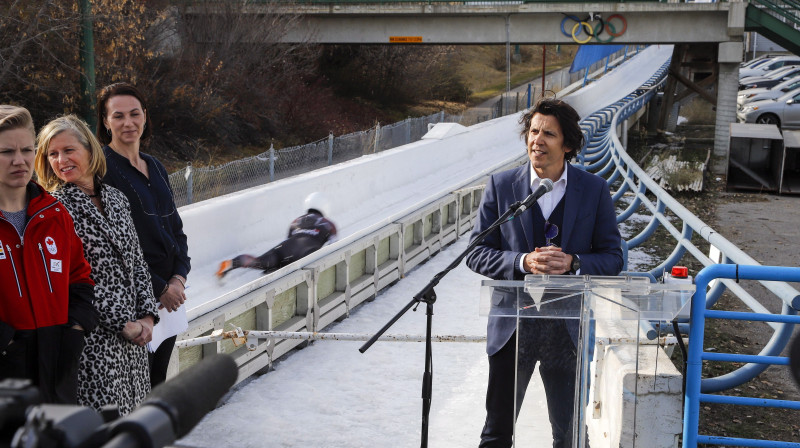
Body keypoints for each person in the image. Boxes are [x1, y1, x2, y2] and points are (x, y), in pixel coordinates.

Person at [465, 98, 623, 448]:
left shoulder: (594, 190)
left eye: (548, 134)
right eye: (533, 131)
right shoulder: (501, 185)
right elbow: (475, 252)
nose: (537, 139)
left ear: (567, 145)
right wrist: (522, 262)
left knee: (567, 435)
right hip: (513, 327)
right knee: (495, 436)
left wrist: (574, 263)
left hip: (565, 331)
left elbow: (613, 257)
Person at [35, 115, 160, 415]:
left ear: (90, 151)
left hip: (134, 340)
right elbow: (71, 281)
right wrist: (123, 323)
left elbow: (138, 263)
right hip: (93, 343)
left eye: (68, 150)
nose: (61, 160)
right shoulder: (54, 210)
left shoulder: (117, 199)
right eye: (52, 154)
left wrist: (147, 317)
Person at [0, 105, 98, 404]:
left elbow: (80, 276)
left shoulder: (55, 213)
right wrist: (7, 341)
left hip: (57, 370)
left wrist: (76, 328)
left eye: (27, 149)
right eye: (6, 152)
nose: (19, 160)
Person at [95, 83, 191, 388]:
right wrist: (160, 287)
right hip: (136, 298)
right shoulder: (102, 171)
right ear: (106, 121)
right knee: (138, 385)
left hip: (170, 299)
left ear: (145, 117)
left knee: (159, 378)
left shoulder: (155, 166)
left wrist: (178, 278)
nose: (128, 123)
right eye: (118, 116)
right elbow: (112, 247)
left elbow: (175, 229)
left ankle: (156, 435)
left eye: (135, 114)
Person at [216, 192, 337, 278]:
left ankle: (230, 263)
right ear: (324, 207)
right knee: (296, 262)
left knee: (260, 261)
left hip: (283, 249)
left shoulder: (296, 221)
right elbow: (334, 246)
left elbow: (289, 238)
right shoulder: (328, 223)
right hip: (304, 251)